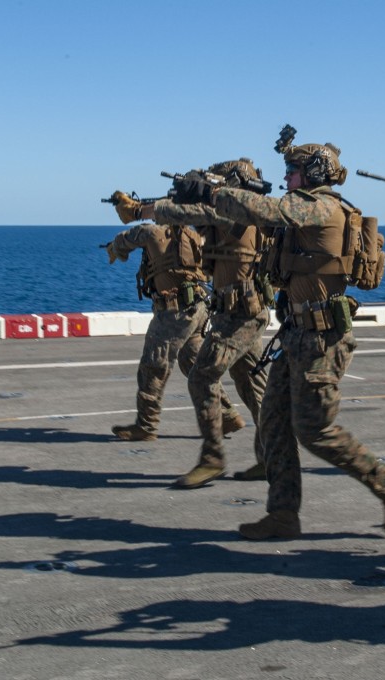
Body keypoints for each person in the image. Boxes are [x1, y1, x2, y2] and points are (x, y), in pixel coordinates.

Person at [194, 141, 385, 538]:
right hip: (296, 334)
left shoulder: (322, 207)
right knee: (275, 424)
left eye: (292, 171)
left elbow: (271, 209)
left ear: (313, 173)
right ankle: (283, 514)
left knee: (315, 430)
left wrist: (215, 192)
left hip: (322, 341)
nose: (285, 178)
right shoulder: (303, 209)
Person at [131, 159, 271, 489]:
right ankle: (271, 457)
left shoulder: (237, 211)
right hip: (236, 311)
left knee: (201, 376)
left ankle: (213, 459)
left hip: (241, 314)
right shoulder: (235, 211)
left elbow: (189, 214)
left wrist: (140, 211)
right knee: (254, 387)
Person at [102, 210, 246, 442]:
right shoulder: (194, 237)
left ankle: (146, 425)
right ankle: (227, 416)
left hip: (173, 312)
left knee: (153, 366)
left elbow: (124, 240)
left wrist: (113, 249)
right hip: (198, 310)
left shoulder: (150, 232)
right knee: (195, 363)